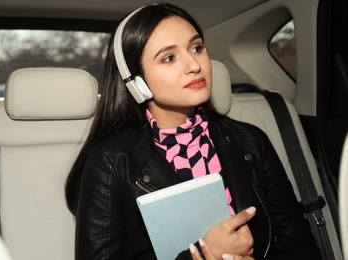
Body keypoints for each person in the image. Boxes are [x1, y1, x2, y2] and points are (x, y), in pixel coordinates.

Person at [65, 3, 321, 260]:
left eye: (197, 48)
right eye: (169, 57)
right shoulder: (111, 161)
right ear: (136, 82)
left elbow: (301, 247)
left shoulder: (252, 141)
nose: (194, 65)